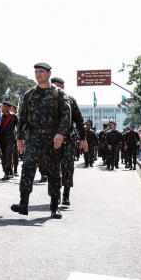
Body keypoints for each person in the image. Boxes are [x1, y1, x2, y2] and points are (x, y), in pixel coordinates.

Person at [10, 62, 70, 219]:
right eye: (36, 71)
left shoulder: (58, 94)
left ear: (49, 73)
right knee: (28, 166)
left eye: (41, 71)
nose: (38, 74)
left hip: (52, 137)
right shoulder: (29, 94)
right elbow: (21, 118)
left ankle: (54, 206)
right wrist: (19, 138)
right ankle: (23, 203)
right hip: (34, 137)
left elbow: (66, 115)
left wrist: (61, 134)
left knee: (54, 171)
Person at [50, 77, 87, 206]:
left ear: (63, 87)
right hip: (51, 140)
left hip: (68, 140)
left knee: (67, 166)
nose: (57, 88)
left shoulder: (70, 100)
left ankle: (66, 193)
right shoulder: (45, 100)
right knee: (53, 167)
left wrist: (83, 139)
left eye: (59, 86)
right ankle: (55, 195)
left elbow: (80, 121)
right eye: (54, 86)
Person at [0, 100, 18, 180]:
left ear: (10, 108)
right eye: (4, 106)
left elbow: (18, 127)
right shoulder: (0, 116)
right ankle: (6, 171)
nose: (5, 108)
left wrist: (20, 137)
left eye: (7, 107)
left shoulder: (14, 116)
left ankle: (7, 173)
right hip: (1, 139)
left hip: (10, 139)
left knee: (9, 155)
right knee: (3, 157)